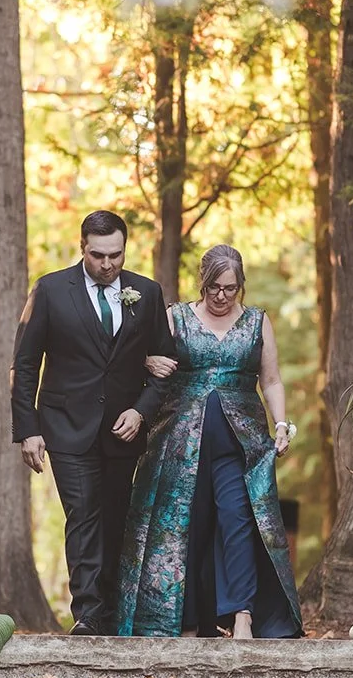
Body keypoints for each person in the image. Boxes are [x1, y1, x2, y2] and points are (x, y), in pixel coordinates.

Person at [116, 244, 302, 639]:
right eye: (214, 287)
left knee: (237, 520)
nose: (221, 296)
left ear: (241, 287)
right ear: (203, 284)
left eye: (230, 288)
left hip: (240, 443)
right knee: (188, 526)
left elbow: (271, 380)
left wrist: (281, 423)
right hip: (179, 443)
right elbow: (145, 363)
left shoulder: (256, 322)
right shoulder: (175, 317)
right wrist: (149, 361)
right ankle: (184, 621)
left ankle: (243, 615)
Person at [11, 210, 176, 635]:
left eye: (116, 256)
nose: (108, 265)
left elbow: (165, 366)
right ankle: (87, 614)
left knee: (116, 518)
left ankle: (112, 611)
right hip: (66, 425)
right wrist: (27, 430)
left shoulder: (148, 293)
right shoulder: (49, 291)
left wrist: (140, 410)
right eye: (98, 255)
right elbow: (25, 364)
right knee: (82, 514)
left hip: (124, 429)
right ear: (82, 248)